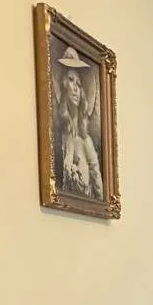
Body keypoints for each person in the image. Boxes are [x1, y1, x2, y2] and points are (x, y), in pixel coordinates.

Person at [52, 44, 103, 201]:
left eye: (79, 84)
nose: (75, 88)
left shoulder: (86, 141)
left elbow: (99, 191)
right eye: (71, 80)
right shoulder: (59, 138)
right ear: (63, 85)